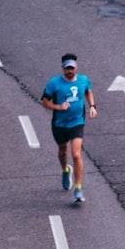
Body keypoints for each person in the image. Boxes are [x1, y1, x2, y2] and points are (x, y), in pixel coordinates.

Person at [41, 53, 97, 203]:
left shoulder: (83, 80)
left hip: (77, 123)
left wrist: (92, 106)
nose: (70, 71)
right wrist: (58, 106)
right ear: (63, 69)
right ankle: (65, 170)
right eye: (67, 69)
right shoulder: (54, 83)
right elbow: (45, 102)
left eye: (72, 68)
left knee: (76, 154)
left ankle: (78, 188)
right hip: (59, 124)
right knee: (62, 151)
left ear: (76, 67)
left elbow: (88, 91)